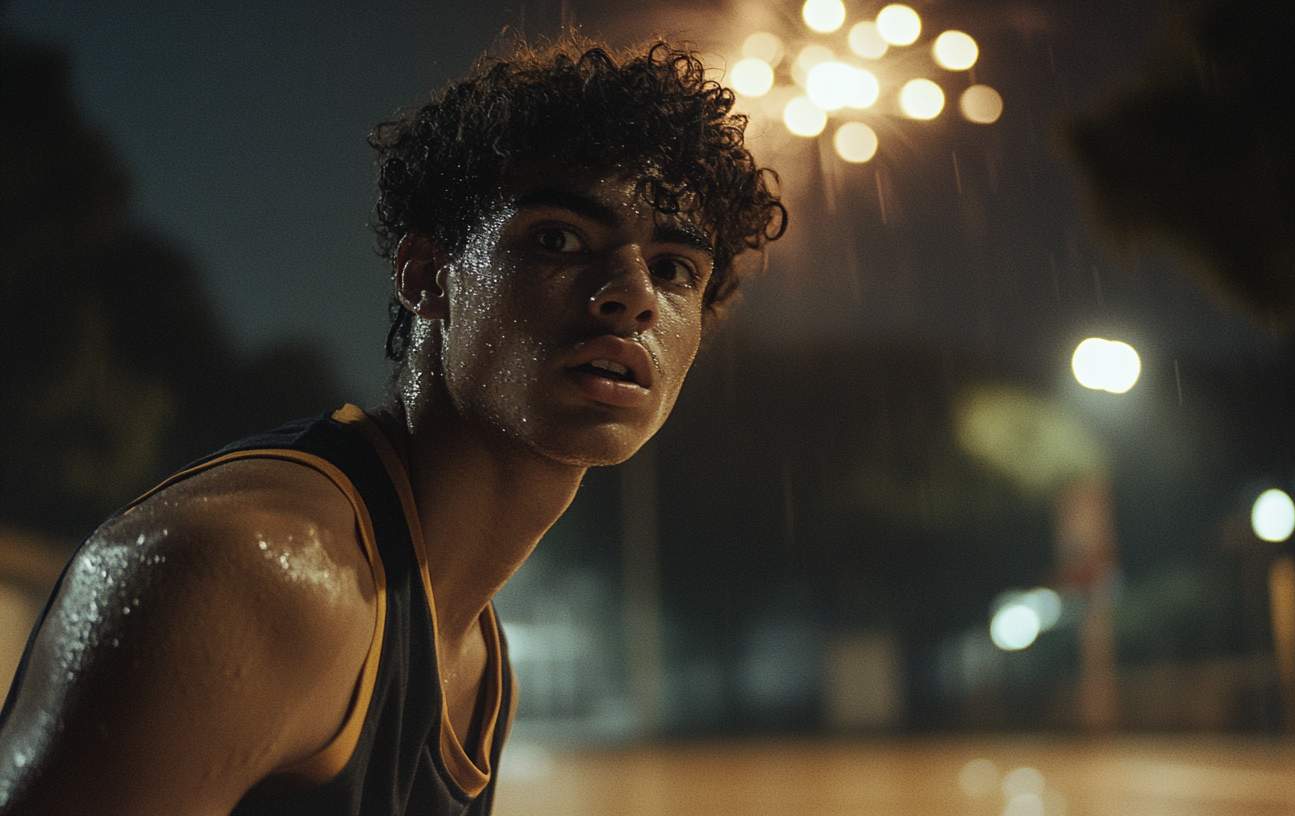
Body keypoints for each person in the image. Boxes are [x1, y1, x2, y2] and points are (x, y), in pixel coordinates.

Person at [0, 37, 785, 815]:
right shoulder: (249, 575)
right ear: (425, 276)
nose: (632, 294)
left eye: (675, 267)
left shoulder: (475, 655)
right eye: (558, 239)